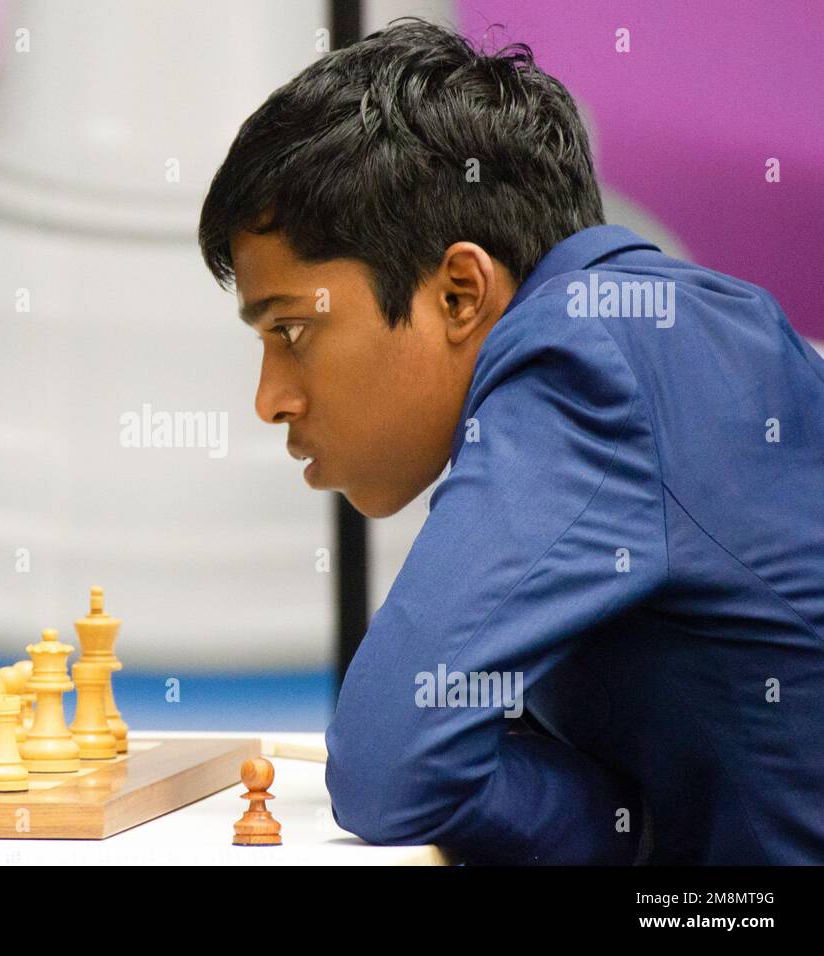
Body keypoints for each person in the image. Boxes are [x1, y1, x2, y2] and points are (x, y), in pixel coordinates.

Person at [197, 18, 824, 864]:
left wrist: (626, 834)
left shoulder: (587, 361)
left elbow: (393, 763)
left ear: (460, 292)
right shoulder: (690, 321)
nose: (271, 399)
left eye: (291, 330)